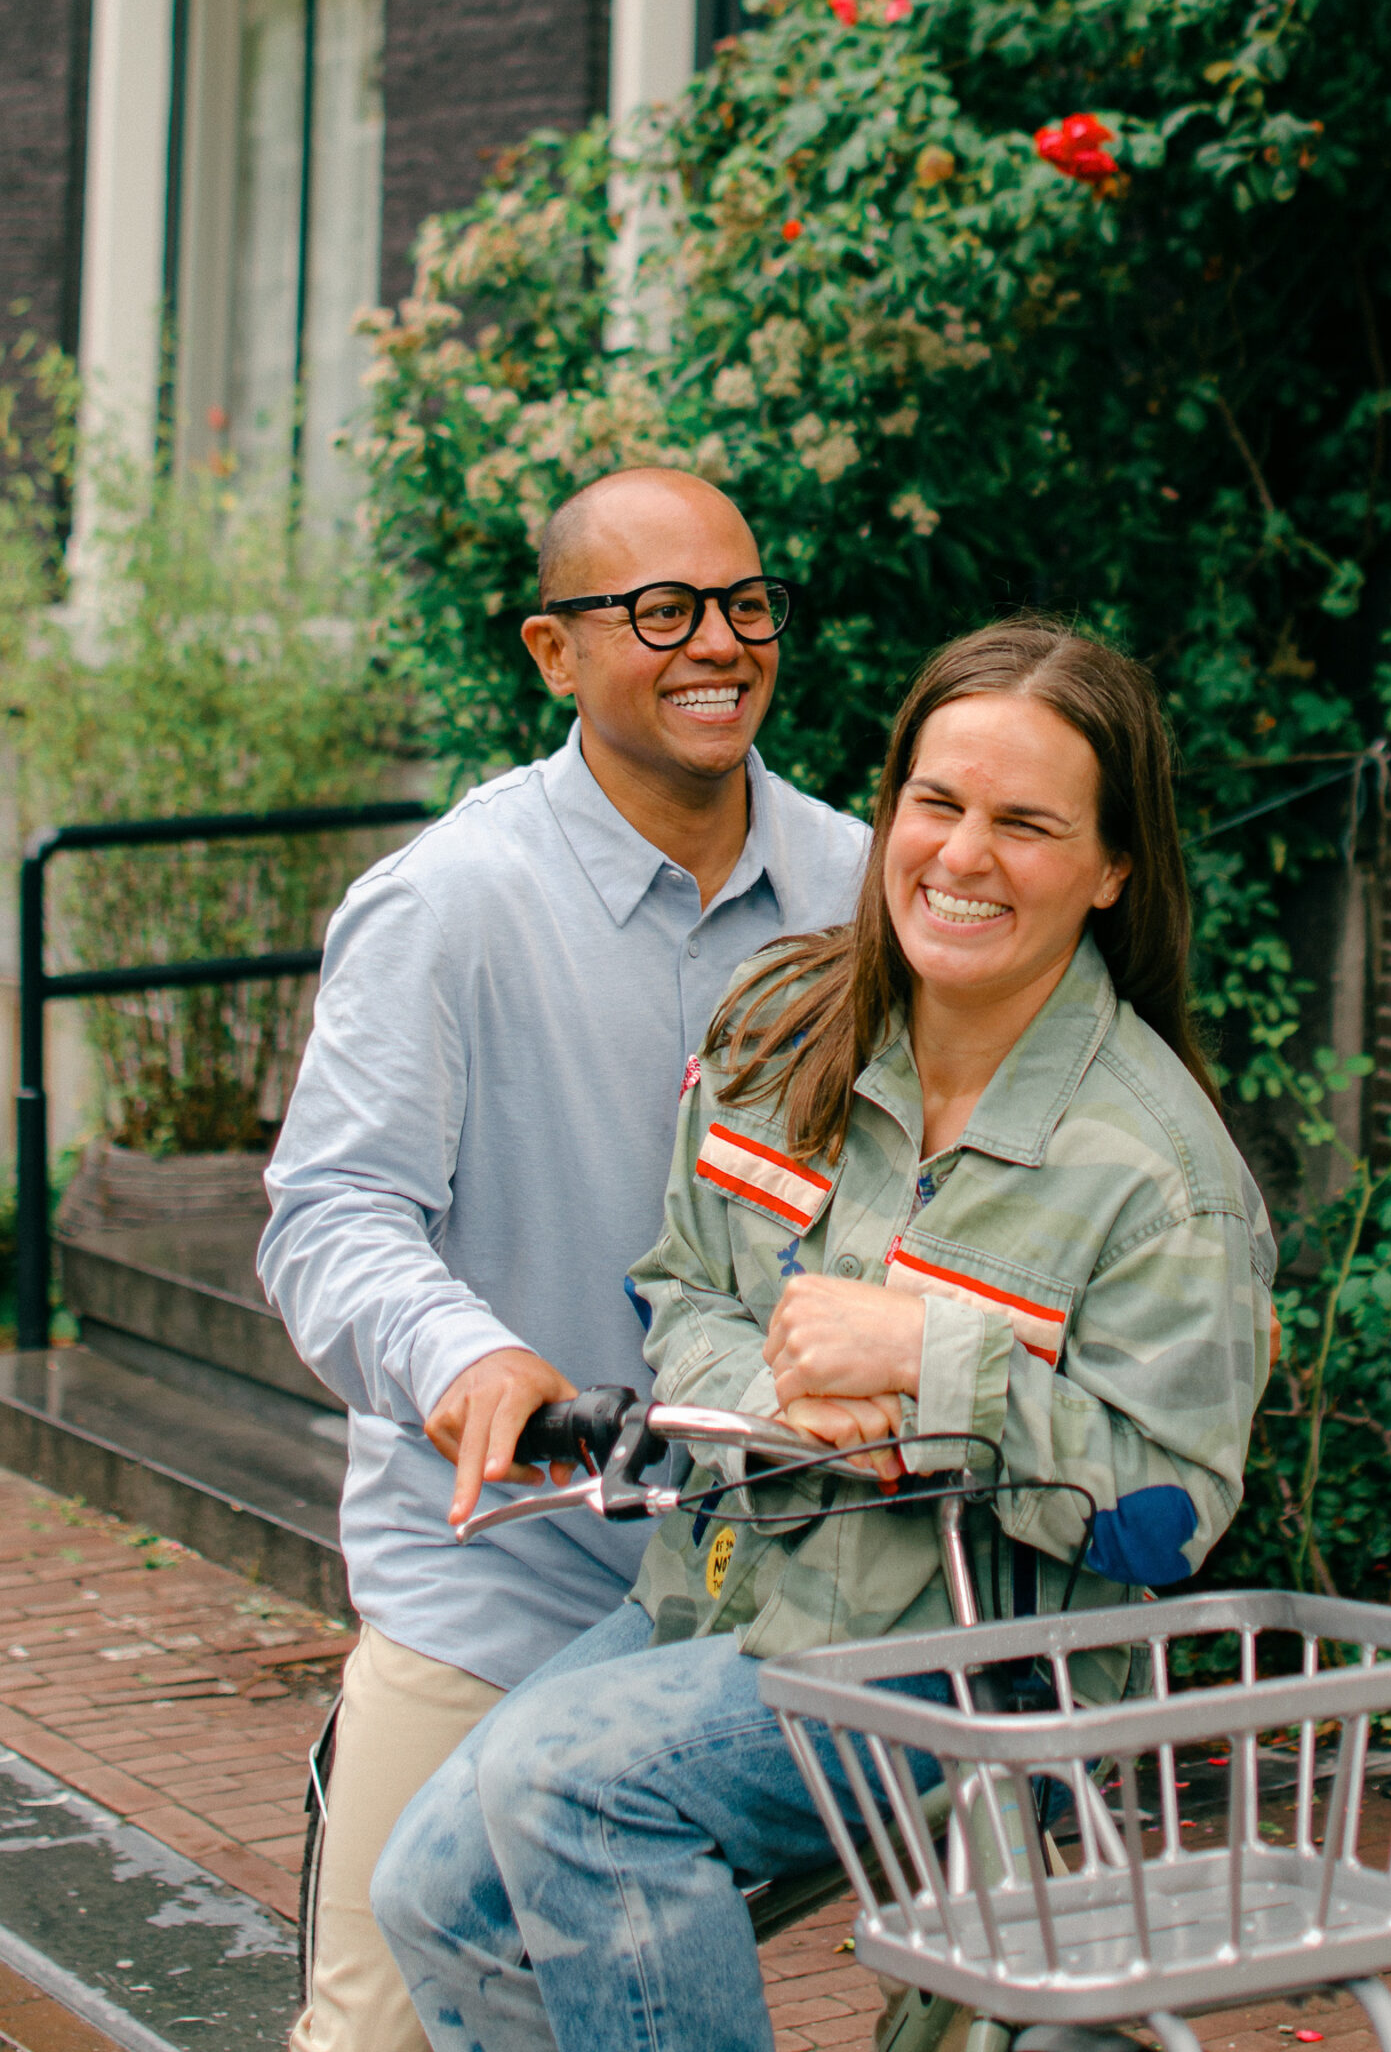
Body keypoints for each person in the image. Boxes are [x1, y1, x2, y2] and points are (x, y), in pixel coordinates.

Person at [371, 617, 1276, 2052]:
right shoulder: (780, 1027)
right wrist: (784, 1397)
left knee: (575, 1787)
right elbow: (684, 1286)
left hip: (973, 1675)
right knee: (432, 1894)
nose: (963, 856)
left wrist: (934, 1365)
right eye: (936, 802)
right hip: (724, 1601)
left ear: (1113, 868)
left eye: (1027, 825)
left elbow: (1169, 1516)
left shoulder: (1160, 1180)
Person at [258, 467, 868, 2052]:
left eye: (744, 604)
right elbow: (331, 1211)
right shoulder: (447, 902)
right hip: (504, 1581)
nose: (717, 643)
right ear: (554, 651)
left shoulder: (861, 892)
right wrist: (463, 1355)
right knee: (384, 2035)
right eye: (660, 611)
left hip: (766, 1589)